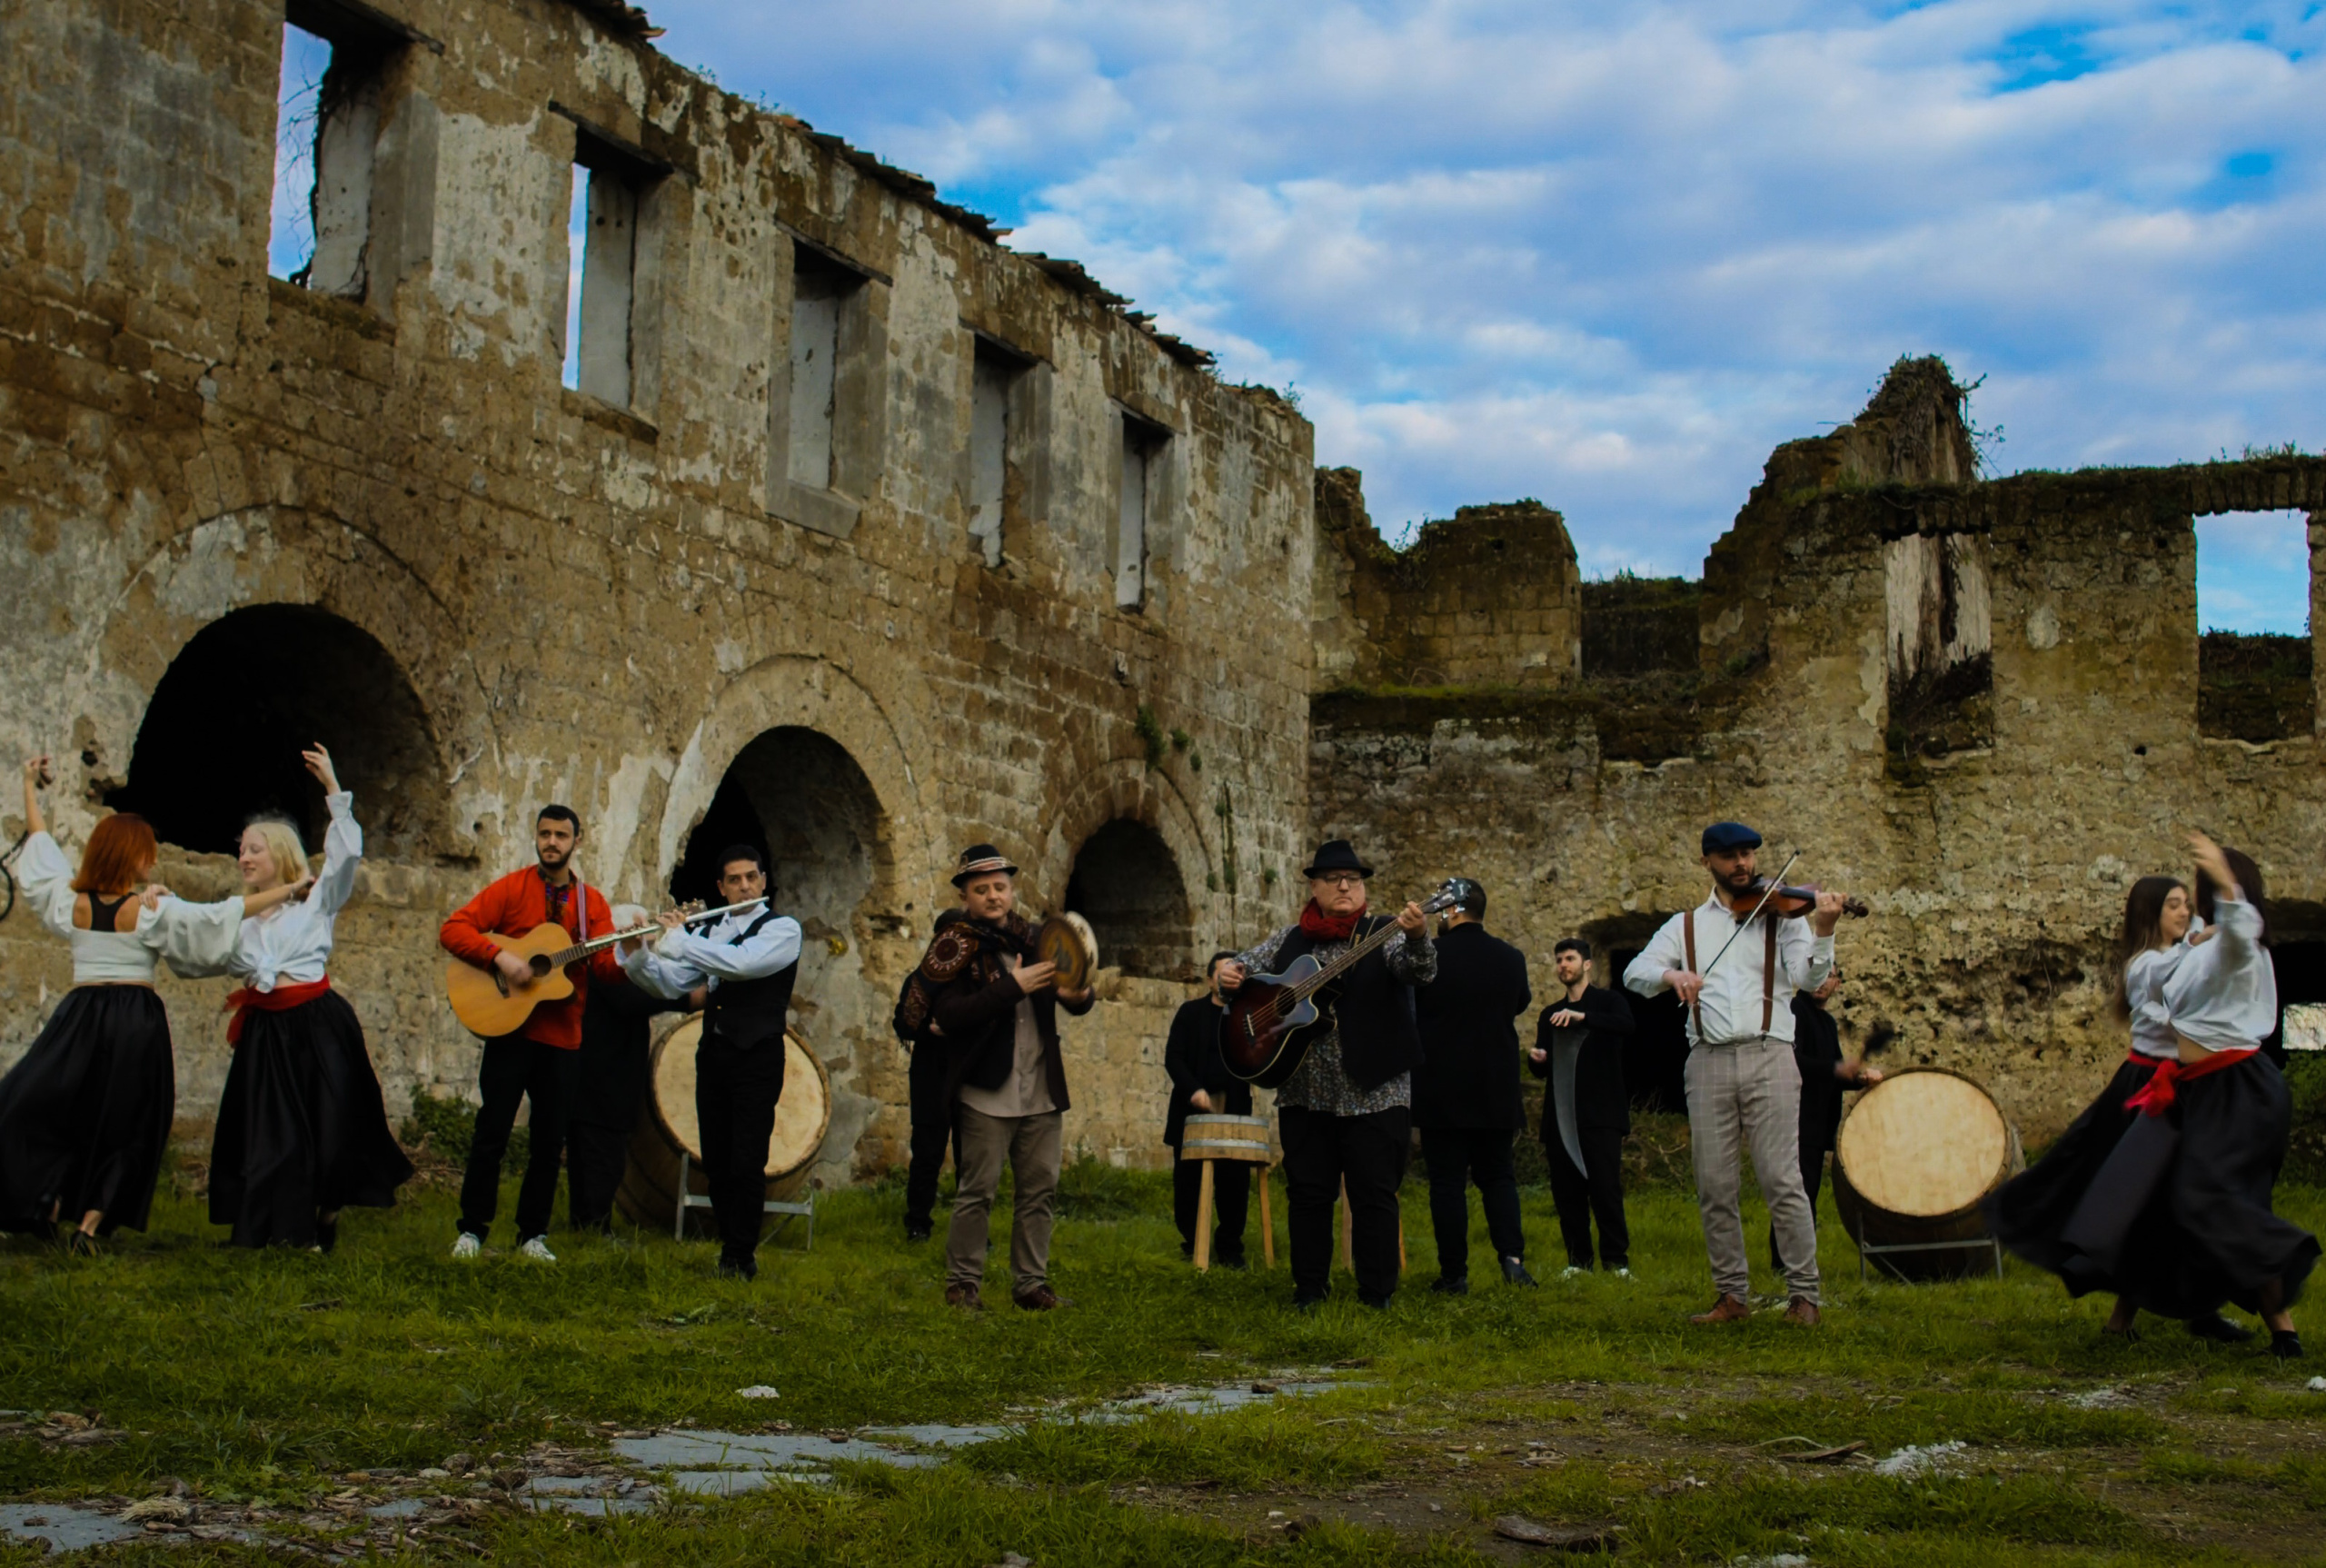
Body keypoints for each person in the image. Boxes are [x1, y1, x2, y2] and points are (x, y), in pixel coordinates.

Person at [0, 756, 296, 1249]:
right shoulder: (149, 911)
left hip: (80, 1017)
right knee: (130, 1121)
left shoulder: (69, 904)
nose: (152, 863)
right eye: (146, 855)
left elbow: (40, 851)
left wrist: (28, 785)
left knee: (54, 1108)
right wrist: (289, 889)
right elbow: (217, 916)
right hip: (133, 1020)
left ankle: (47, 1203)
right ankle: (90, 1224)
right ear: (126, 857)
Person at [2073, 836, 2315, 1357]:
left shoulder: (2238, 943)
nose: (2190, 907)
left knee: (2214, 1200)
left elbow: (2239, 928)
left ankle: (2283, 1307)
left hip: (2237, 1087)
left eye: (2195, 894)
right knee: (2160, 1195)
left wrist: (2225, 885)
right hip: (2197, 1087)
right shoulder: (2203, 946)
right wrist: (2193, 938)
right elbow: (2164, 983)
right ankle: (2258, 1326)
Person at [1624, 821, 1844, 1325]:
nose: (1742, 864)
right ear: (1707, 862)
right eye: (1730, 856)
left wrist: (1825, 930)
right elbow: (1636, 974)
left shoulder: (1784, 918)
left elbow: (1808, 979)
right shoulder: (1684, 926)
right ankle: (1731, 1296)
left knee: (1782, 1178)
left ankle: (1804, 1295)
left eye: (1748, 854)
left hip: (1771, 1055)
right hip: (1708, 1060)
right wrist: (1672, 974)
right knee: (1714, 1183)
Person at [205, 745, 414, 1250]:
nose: (244, 856)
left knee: (332, 1127)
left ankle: (326, 1213)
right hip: (267, 1031)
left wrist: (332, 788)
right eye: (242, 849)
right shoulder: (240, 915)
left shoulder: (317, 898)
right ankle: (267, 1230)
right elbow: (195, 935)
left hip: (317, 1025)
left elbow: (346, 856)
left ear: (279, 855)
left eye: (254, 848)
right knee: (267, 1135)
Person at [1221, 839, 1436, 1310]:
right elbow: (1241, 970)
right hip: (1304, 1093)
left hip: (1374, 1090)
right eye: (1334, 878)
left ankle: (1376, 1295)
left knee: (1374, 1196)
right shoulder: (1289, 940)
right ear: (1314, 887)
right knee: (1308, 1195)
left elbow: (1419, 973)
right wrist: (1229, 973)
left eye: (1354, 879)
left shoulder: (1388, 932)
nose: (1345, 885)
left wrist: (1420, 936)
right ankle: (1309, 1290)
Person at [1985, 877, 2194, 1339]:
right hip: (2146, 1087)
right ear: (2150, 914)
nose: (2184, 913)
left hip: (2180, 1085)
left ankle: (2152, 1313)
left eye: (2187, 905)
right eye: (2174, 906)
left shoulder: (2178, 956)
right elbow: (2175, 993)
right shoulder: (2149, 965)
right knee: (2140, 1197)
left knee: (2177, 1198)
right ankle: (2134, 1314)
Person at [901, 845, 1093, 1311]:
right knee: (977, 1191)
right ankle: (963, 1284)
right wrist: (1013, 988)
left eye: (1000, 887)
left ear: (1012, 890)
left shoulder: (1039, 939)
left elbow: (1079, 995)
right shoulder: (956, 944)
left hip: (1042, 1088)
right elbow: (947, 1013)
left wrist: (1079, 993)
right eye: (981, 889)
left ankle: (1030, 1284)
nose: (993, 896)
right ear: (966, 896)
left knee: (1040, 1189)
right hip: (986, 1089)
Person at [439, 804, 623, 1264]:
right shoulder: (513, 887)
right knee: (492, 1134)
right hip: (509, 1033)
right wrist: (499, 959)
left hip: (563, 1039)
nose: (552, 842)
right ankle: (473, 1230)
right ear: (537, 837)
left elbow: (605, 970)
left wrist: (631, 949)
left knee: (548, 1141)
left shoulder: (592, 905)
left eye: (562, 835)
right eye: (545, 834)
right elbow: (453, 928)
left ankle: (532, 1235)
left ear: (577, 841)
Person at [621, 846, 800, 1279]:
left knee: (746, 1158)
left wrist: (680, 939)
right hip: (715, 1054)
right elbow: (672, 984)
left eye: (751, 878)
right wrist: (639, 952)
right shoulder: (714, 931)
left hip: (758, 1054)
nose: (744, 886)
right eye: (734, 880)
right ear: (721, 888)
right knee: (717, 1160)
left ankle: (742, 1255)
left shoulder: (783, 929)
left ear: (763, 880)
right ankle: (729, 1247)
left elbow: (741, 965)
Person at [1410, 878, 1534, 1293]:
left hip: (1441, 1085)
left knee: (1447, 1182)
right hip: (1495, 1084)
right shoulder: (1511, 958)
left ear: (1452, 910)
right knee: (1499, 1176)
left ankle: (1454, 1275)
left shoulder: (1431, 958)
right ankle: (1513, 1261)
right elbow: (1519, 1003)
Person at [565, 908, 700, 1236]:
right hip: (602, 1076)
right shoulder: (606, 965)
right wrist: (687, 999)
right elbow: (635, 999)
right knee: (601, 1156)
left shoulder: (606, 964)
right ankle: (594, 1226)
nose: (645, 949)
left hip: (603, 1074)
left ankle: (586, 1225)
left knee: (593, 1154)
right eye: (641, 939)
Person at [1528, 937, 1637, 1278]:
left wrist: (1584, 1017)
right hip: (1561, 1116)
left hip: (1601, 1114)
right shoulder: (1550, 1014)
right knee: (1567, 1194)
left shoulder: (1608, 1002)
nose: (1564, 965)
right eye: (1559, 960)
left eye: (1570, 958)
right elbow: (1543, 1069)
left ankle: (1616, 1262)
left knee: (1605, 1189)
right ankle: (1578, 1262)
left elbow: (1627, 1027)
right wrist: (1537, 1059)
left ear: (1587, 964)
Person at [1770, 970, 1881, 1272]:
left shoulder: (1827, 1023)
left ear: (1838, 983)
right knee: (1796, 1191)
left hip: (1817, 1123)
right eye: (1818, 974)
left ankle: (1796, 1260)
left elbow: (1835, 1075)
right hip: (1795, 1118)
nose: (1822, 981)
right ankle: (1784, 1263)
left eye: (1829, 975)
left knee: (1808, 1191)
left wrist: (1860, 1079)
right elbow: (1793, 1062)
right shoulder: (1794, 1011)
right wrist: (1836, 1068)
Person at [1164, 950, 1251, 1266]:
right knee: (1188, 1184)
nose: (1228, 977)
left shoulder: (1246, 1013)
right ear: (1209, 978)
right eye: (1222, 971)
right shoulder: (1190, 1013)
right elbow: (1173, 1057)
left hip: (1234, 1110)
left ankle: (1230, 1248)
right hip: (1192, 1111)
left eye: (1235, 971)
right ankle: (1192, 1243)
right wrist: (1194, 1090)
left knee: (1234, 1184)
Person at [896, 909, 968, 1244]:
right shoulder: (920, 980)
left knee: (972, 1157)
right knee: (927, 1154)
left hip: (970, 1075)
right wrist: (929, 1030)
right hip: (931, 1076)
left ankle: (972, 1229)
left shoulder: (977, 977)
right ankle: (918, 1223)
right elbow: (902, 1023)